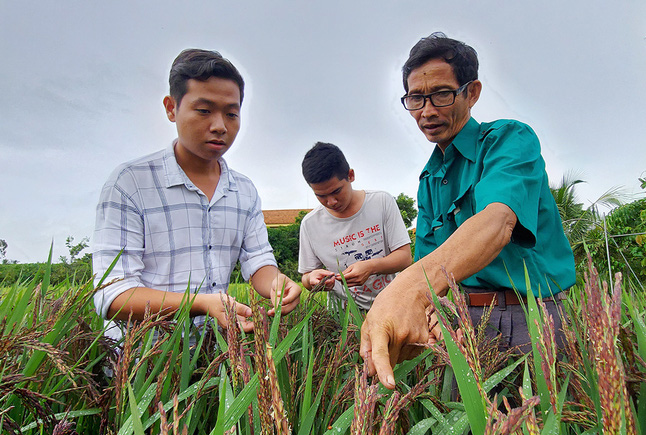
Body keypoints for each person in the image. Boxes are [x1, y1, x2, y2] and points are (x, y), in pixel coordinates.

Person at [360, 33, 576, 389]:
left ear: (471, 92)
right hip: (460, 323)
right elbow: (430, 264)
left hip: (529, 316)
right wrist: (431, 312)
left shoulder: (509, 141)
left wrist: (406, 290)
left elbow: (497, 222)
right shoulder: (429, 177)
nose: (427, 111)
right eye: (416, 99)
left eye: (442, 94)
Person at [92, 49, 301, 341]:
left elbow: (257, 260)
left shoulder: (244, 191)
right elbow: (112, 295)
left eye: (231, 113)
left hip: (217, 355)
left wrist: (278, 283)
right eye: (204, 111)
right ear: (171, 108)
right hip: (142, 366)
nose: (219, 126)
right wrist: (200, 303)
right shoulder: (130, 184)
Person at [298, 142, 412, 311]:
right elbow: (307, 276)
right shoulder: (310, 224)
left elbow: (405, 257)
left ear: (350, 176)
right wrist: (312, 280)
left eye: (336, 191)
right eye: (321, 196)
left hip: (392, 305)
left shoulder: (381, 202)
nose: (331, 202)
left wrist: (371, 267)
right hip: (343, 315)